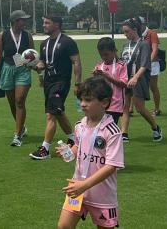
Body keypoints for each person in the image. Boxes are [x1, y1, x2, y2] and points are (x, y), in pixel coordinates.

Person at [56, 76, 124, 229]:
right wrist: (69, 152)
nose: (83, 104)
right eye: (81, 100)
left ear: (104, 103)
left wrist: (85, 185)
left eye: (87, 100)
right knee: (63, 226)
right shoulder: (80, 125)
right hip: (77, 190)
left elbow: (111, 166)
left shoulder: (111, 131)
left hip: (102, 195)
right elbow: (78, 147)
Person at [29, 15, 81, 160]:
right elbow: (43, 64)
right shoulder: (44, 43)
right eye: (43, 22)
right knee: (58, 112)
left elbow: (76, 62)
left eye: (47, 23)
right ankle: (73, 138)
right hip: (48, 83)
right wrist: (35, 66)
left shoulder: (67, 42)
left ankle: (44, 149)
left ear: (57, 25)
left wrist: (78, 83)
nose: (44, 25)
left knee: (51, 114)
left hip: (61, 83)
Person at [0, 10, 35, 147]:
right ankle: (21, 127)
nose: (25, 22)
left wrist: (36, 67)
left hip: (23, 70)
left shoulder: (28, 36)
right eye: (22, 20)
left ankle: (17, 135)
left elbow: (32, 53)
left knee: (19, 101)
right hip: (7, 69)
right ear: (14, 21)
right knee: (13, 103)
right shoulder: (3, 35)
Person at [119, 18, 163, 142]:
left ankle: (155, 127)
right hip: (125, 80)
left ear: (134, 30)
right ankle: (124, 134)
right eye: (124, 32)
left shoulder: (143, 45)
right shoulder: (125, 45)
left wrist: (136, 77)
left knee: (140, 108)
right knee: (125, 107)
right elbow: (123, 62)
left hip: (138, 80)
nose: (125, 34)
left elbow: (144, 64)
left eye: (127, 31)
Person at [93, 37, 128, 125]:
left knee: (109, 127)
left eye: (106, 54)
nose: (104, 57)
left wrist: (107, 76)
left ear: (113, 51)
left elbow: (124, 84)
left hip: (115, 105)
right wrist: (95, 76)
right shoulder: (99, 66)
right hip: (101, 104)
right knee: (100, 128)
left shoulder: (121, 65)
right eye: (101, 55)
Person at [139, 18, 163, 116]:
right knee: (136, 86)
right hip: (140, 64)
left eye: (138, 24)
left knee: (153, 87)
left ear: (143, 24)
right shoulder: (137, 34)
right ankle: (131, 108)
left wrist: (147, 62)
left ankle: (157, 109)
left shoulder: (152, 34)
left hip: (152, 64)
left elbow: (155, 49)